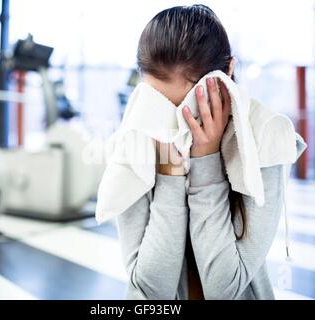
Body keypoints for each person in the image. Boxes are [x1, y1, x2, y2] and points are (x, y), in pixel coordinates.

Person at [117, 4, 292, 300]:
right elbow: (151, 291)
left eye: (189, 107)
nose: (176, 123)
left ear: (228, 72)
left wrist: (205, 160)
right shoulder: (137, 138)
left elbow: (224, 289)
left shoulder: (264, 141)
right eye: (162, 105)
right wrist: (169, 168)